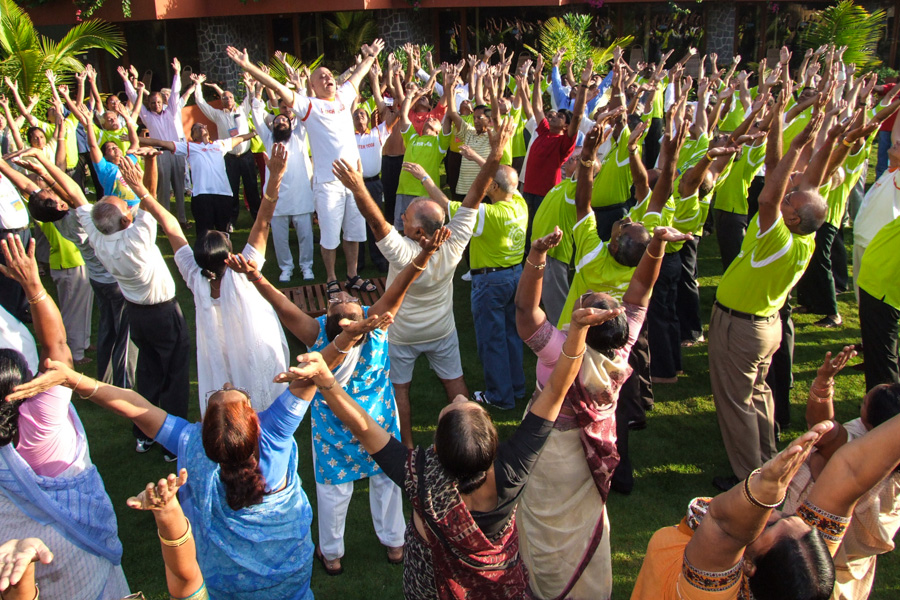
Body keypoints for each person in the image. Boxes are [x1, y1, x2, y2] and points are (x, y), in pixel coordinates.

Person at [281, 297, 620, 599]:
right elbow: (557, 390)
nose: (458, 396)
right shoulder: (512, 469)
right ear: (492, 442)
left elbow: (363, 427)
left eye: (454, 406)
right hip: (499, 589)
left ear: (436, 449)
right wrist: (577, 331)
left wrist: (326, 381)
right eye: (467, 404)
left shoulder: (420, 477)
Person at [230, 216, 450, 575]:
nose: (344, 296)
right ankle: (395, 544)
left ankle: (332, 555)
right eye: (346, 301)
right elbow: (401, 285)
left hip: (333, 428)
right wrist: (424, 255)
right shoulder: (375, 325)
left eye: (340, 301)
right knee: (386, 480)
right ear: (357, 319)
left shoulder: (316, 333)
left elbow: (283, 305)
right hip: (376, 421)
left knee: (333, 490)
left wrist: (256, 277)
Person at [515, 201, 689, 598]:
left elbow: (526, 308)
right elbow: (641, 292)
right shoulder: (622, 348)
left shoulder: (557, 352)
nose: (586, 296)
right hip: (591, 456)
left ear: (582, 321)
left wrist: (537, 256)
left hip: (549, 456)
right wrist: (657, 245)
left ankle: (546, 589)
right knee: (585, 524)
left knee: (544, 529)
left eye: (586, 300)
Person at [333, 117, 516, 447]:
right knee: (455, 385)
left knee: (400, 390)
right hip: (441, 331)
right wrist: (495, 155)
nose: (400, 218)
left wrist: (358, 187)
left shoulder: (403, 253)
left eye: (405, 217)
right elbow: (476, 194)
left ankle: (406, 449)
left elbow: (376, 223)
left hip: (401, 334)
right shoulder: (454, 240)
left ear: (418, 231)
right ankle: (473, 440)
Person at [0, 234, 130, 599]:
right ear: (22, 384)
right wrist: (33, 286)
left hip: (20, 562)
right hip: (78, 553)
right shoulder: (41, 418)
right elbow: (57, 347)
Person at [709, 89, 827, 490]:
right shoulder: (804, 235)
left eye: (789, 199)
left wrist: (796, 145)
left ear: (792, 217)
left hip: (741, 329)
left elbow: (767, 196)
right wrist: (779, 121)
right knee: (758, 395)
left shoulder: (778, 239)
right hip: (763, 326)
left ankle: (750, 482)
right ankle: (766, 458)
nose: (787, 191)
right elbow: (777, 171)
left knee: (737, 402)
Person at [122, 145, 290, 416]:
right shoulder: (244, 269)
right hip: (252, 346)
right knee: (262, 403)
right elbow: (263, 220)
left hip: (218, 352)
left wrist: (140, 189)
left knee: (228, 405)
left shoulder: (194, 275)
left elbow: (170, 225)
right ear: (228, 254)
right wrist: (275, 177)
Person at [226, 41, 385, 296]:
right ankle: (331, 278)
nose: (328, 78)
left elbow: (359, 73)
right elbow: (277, 86)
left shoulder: (344, 96)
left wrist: (371, 57)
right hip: (328, 183)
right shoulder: (309, 105)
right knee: (330, 236)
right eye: (321, 76)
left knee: (354, 232)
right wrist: (248, 66)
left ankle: (352, 275)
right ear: (312, 85)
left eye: (330, 75)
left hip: (354, 182)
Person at [62, 149, 190, 461]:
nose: (128, 205)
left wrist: (43, 163)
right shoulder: (138, 237)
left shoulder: (97, 234)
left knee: (147, 372)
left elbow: (75, 194)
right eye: (124, 207)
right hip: (163, 313)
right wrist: (148, 166)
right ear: (124, 219)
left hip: (136, 315)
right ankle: (172, 444)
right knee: (174, 374)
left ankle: (143, 434)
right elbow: (150, 198)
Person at [14, 146, 134, 389]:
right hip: (114, 282)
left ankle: (105, 380)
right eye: (52, 194)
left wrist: (35, 169)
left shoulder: (54, 215)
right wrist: (43, 161)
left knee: (107, 331)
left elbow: (35, 189)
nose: (53, 191)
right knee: (125, 338)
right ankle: (124, 388)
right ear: (59, 206)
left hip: (98, 281)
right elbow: (73, 190)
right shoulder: (81, 219)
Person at [784, 347, 900, 600]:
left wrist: (823, 383)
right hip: (854, 560)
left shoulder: (860, 454)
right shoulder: (885, 448)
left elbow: (823, 431)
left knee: (811, 579)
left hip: (827, 552)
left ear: (876, 425)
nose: (861, 403)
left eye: (864, 403)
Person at [445, 119, 528, 409]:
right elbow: (503, 179)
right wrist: (487, 157)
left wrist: (426, 180)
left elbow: (449, 206)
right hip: (515, 277)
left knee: (492, 341)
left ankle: (499, 396)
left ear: (492, 186)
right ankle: (517, 387)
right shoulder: (519, 202)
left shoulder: (487, 215)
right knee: (511, 335)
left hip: (490, 283)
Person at [141, 90, 258, 241]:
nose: (201, 127)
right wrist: (136, 139)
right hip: (202, 196)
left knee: (223, 234)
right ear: (193, 136)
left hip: (223, 194)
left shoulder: (220, 144)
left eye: (202, 126)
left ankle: (226, 254)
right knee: (204, 235)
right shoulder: (189, 147)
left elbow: (239, 139)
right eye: (196, 127)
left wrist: (253, 134)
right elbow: (160, 142)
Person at [247, 75, 316, 282]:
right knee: (279, 237)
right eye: (277, 121)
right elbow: (256, 115)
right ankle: (286, 268)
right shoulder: (269, 138)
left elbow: (303, 111)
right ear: (273, 126)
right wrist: (257, 92)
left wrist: (300, 87)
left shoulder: (299, 135)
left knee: (305, 235)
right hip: (276, 197)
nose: (281, 122)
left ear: (290, 123)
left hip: (301, 195)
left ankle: (306, 267)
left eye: (284, 120)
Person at [521, 55, 590, 249]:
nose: (554, 117)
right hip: (529, 189)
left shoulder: (564, 142)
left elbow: (577, 117)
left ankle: (541, 258)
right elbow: (537, 107)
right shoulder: (544, 131)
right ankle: (525, 257)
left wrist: (584, 86)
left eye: (560, 116)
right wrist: (537, 77)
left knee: (541, 228)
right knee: (527, 227)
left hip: (546, 193)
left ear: (566, 126)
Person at [121, 58, 188, 226]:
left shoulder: (171, 111)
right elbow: (133, 97)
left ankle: (182, 219)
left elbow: (175, 93)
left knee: (179, 186)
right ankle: (165, 221)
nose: (156, 105)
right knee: (163, 188)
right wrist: (126, 80)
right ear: (149, 105)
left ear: (162, 102)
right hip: (160, 153)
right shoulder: (147, 116)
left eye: (158, 102)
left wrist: (177, 73)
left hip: (176, 150)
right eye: (152, 103)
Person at [194, 73, 260, 225]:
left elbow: (251, 98)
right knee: (232, 189)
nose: (227, 99)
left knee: (251, 187)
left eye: (230, 97)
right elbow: (201, 103)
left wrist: (250, 86)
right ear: (221, 100)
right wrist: (198, 85)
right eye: (224, 98)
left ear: (234, 99)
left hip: (246, 156)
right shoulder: (217, 115)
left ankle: (257, 217)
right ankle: (231, 220)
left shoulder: (242, 110)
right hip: (229, 158)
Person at [857, 213, 900, 391]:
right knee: (882, 355)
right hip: (880, 279)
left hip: (883, 284)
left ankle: (883, 404)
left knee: (882, 360)